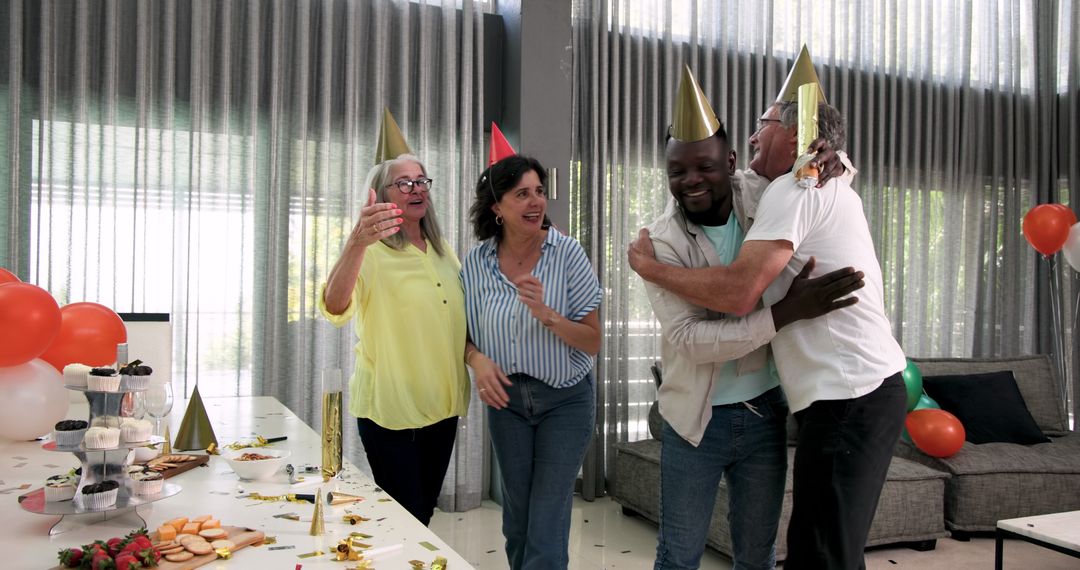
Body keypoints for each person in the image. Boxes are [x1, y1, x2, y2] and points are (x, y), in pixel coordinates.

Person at [629, 56, 908, 569]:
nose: (691, 179)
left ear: (730, 159)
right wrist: (786, 313)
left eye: (763, 125)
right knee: (685, 555)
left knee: (782, 554)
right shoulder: (661, 240)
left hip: (776, 409)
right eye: (676, 170)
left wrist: (833, 157)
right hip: (698, 418)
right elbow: (690, 339)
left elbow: (739, 293)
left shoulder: (772, 189)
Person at [319, 109, 469, 526]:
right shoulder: (370, 253)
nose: (416, 189)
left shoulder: (443, 252)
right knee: (407, 515)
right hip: (390, 409)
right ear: (381, 194)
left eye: (421, 181)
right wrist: (356, 243)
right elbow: (334, 306)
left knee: (423, 513)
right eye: (404, 183)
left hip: (442, 405)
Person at [461, 152, 603, 570]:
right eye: (521, 194)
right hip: (506, 403)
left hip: (566, 400)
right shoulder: (476, 263)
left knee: (546, 520)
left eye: (539, 191)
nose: (535, 202)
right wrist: (476, 359)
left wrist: (548, 316)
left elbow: (593, 341)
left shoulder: (568, 253)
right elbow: (461, 333)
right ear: (497, 208)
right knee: (517, 521)